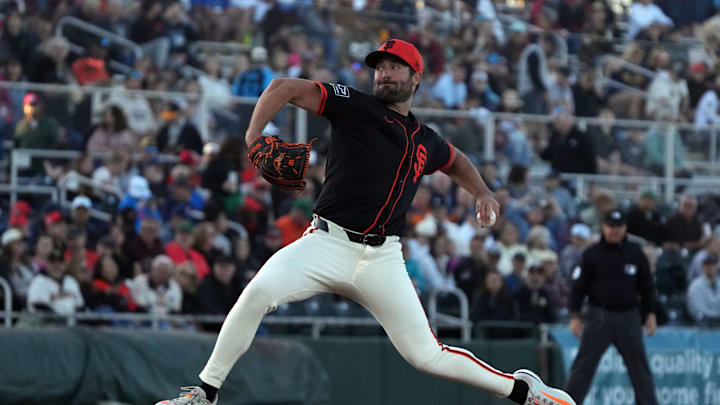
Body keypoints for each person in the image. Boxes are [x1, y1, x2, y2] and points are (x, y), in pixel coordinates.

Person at [156, 39, 575, 405]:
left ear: (416, 78)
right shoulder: (353, 106)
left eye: (395, 66)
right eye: (379, 66)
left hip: (383, 259)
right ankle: (204, 394)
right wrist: (252, 138)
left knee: (425, 355)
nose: (384, 72)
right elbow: (282, 87)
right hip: (326, 243)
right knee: (258, 293)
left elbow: (456, 160)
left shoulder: (425, 138)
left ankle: (525, 392)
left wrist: (482, 192)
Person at [566, 210, 658, 405]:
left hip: (629, 316)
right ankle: (568, 403)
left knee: (639, 369)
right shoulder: (592, 254)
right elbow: (579, 287)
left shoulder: (635, 252)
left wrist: (650, 313)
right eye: (611, 226)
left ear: (625, 228)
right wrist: (574, 315)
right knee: (583, 366)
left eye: (619, 227)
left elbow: (647, 286)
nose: (615, 231)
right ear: (603, 227)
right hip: (599, 316)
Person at [686, 255, 720, 323]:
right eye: (706, 265)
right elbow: (700, 311)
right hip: (704, 322)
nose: (709, 268)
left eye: (712, 265)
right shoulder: (695, 285)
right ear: (702, 267)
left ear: (717, 267)